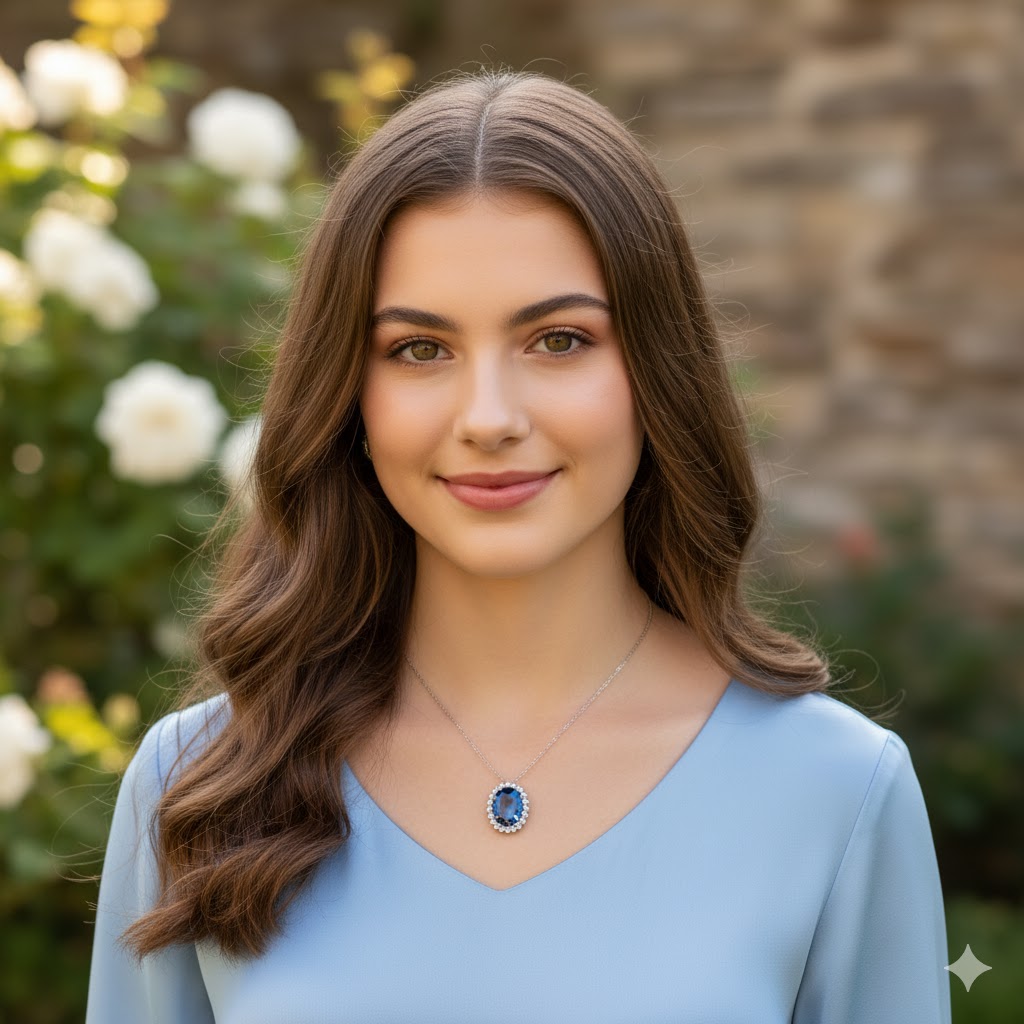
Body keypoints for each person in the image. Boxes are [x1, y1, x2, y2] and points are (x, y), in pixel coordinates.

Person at [85, 67, 952, 1022]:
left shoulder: (835, 790)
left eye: (558, 341)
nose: (488, 417)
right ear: (350, 394)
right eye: (420, 349)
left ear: (657, 370)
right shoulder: (196, 786)